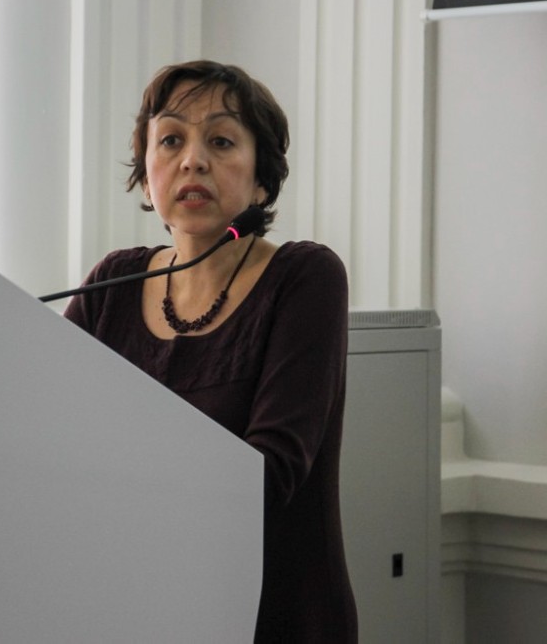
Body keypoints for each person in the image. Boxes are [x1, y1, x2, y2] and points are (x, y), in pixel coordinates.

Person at [64, 60, 357, 643]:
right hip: (134, 611)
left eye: (221, 141)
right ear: (146, 173)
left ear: (262, 180)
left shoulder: (305, 278)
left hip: (272, 617)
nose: (192, 160)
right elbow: (46, 440)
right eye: (170, 140)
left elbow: (267, 475)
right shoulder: (111, 286)